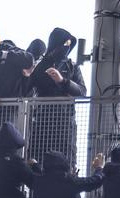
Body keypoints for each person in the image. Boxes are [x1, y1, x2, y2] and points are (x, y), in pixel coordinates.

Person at [27, 27, 86, 165]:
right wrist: (26, 75)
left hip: (65, 124)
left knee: (66, 163)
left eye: (69, 44)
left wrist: (63, 81)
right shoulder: (39, 66)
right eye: (65, 43)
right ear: (56, 44)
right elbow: (26, 90)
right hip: (42, 123)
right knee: (39, 163)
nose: (67, 47)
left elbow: (82, 92)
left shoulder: (72, 67)